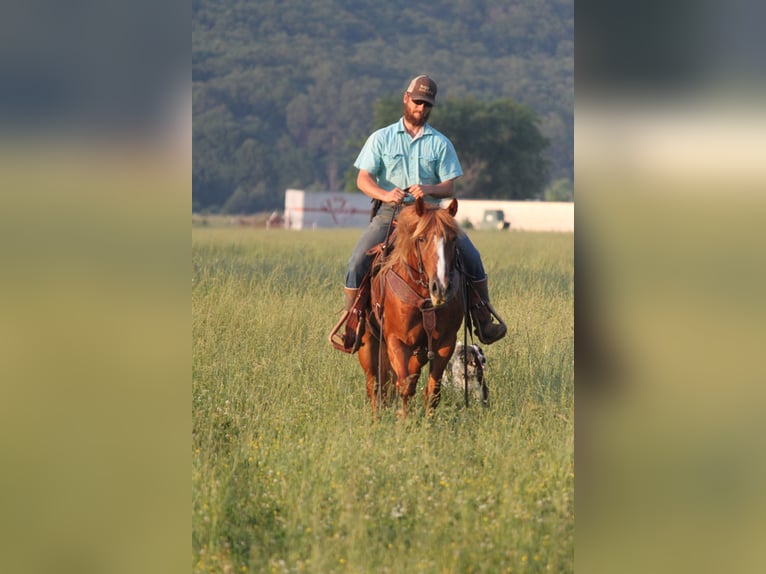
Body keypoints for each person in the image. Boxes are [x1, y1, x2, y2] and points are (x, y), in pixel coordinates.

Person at [340, 75, 506, 348]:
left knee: (471, 256)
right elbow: (363, 179)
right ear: (406, 99)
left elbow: (449, 187)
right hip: (390, 214)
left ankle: (482, 318)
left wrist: (428, 187)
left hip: (430, 215)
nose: (421, 108)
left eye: (427, 104)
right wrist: (385, 194)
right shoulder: (380, 138)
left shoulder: (440, 143)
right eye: (417, 102)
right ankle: (352, 321)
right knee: (358, 260)